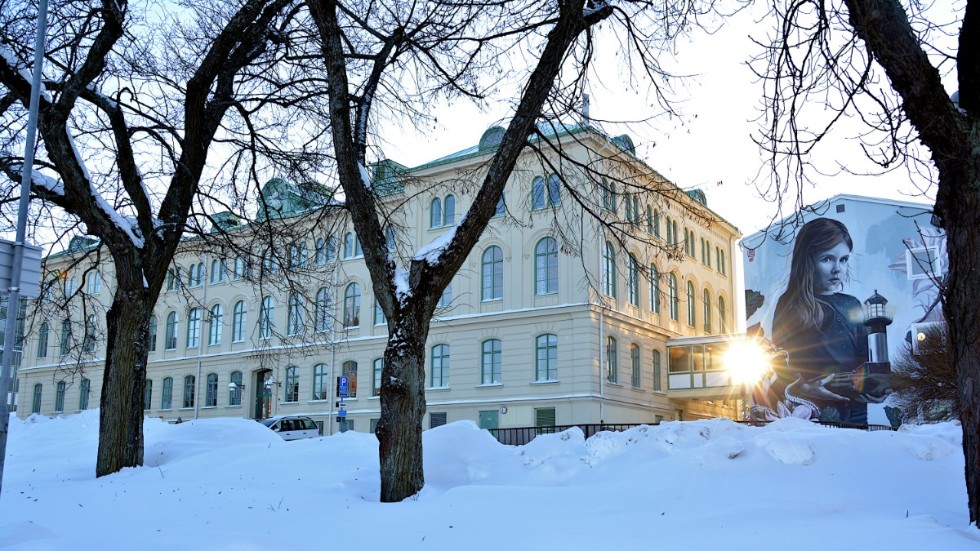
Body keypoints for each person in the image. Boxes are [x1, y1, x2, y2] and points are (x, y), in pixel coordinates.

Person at [770, 217, 882, 425]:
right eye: (827, 259)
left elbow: (865, 357)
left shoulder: (852, 304)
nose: (837, 268)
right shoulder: (791, 304)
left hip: (853, 405)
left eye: (843, 260)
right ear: (807, 261)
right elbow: (778, 355)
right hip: (810, 408)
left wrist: (874, 386)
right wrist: (800, 386)